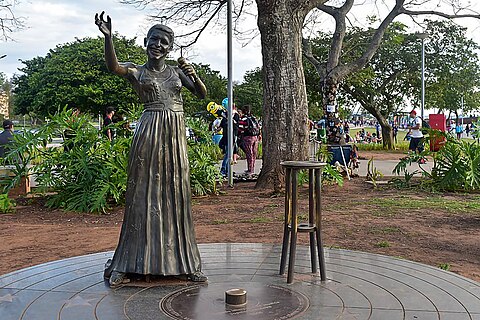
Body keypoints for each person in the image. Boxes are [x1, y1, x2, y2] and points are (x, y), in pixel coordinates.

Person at [95, 12, 207, 287]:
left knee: (176, 193)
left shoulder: (177, 71)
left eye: (164, 42)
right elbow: (114, 67)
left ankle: (184, 261)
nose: (158, 45)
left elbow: (201, 94)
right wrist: (108, 39)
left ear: (170, 48)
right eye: (154, 40)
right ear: (146, 41)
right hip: (149, 131)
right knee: (143, 194)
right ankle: (130, 261)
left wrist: (195, 75)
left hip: (175, 134)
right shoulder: (137, 70)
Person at [238, 105, 259, 176]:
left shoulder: (243, 119)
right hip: (255, 137)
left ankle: (250, 170)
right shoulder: (254, 118)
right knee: (254, 153)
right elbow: (258, 127)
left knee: (249, 154)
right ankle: (252, 168)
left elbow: (240, 129)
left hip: (247, 138)